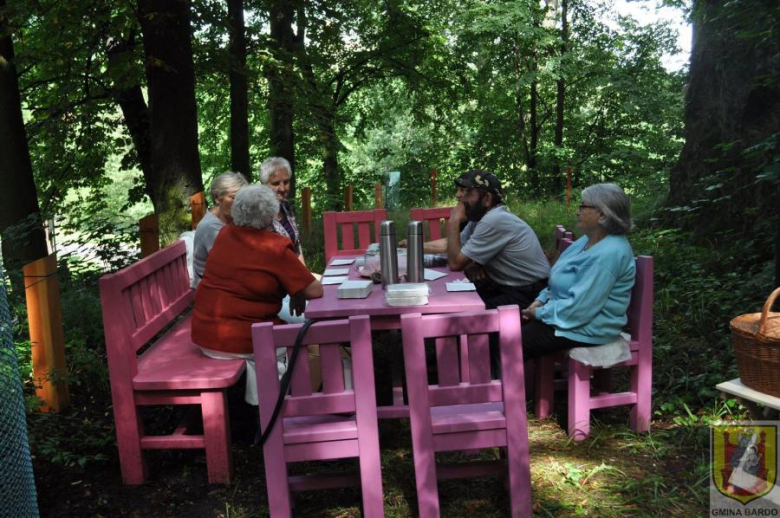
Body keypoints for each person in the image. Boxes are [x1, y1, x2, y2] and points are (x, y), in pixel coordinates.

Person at [191, 185, 323, 405]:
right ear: (271, 215)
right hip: (242, 339)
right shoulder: (274, 246)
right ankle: (295, 407)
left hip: (206, 334)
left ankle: (267, 412)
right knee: (319, 342)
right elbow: (314, 290)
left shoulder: (224, 235)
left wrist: (297, 291)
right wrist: (298, 291)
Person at [521, 183, 636, 360]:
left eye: (583, 206)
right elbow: (557, 280)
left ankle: (507, 387)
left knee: (510, 342)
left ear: (603, 214)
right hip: (568, 319)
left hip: (587, 329)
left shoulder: (608, 253)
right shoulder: (587, 241)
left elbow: (580, 309)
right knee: (505, 328)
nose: (577, 211)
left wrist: (538, 314)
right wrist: (540, 300)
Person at [445, 170, 550, 310]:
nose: (459, 196)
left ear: (486, 199)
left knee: (464, 313)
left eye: (467, 192)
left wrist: (453, 221)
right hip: (508, 286)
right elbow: (454, 245)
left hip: (531, 293)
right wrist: (413, 245)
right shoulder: (480, 217)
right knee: (456, 301)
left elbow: (455, 263)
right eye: (459, 191)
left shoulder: (494, 220)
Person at [259, 157, 314, 320]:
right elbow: (271, 263)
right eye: (276, 183)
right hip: (274, 292)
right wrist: (297, 290)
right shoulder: (259, 215)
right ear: (263, 185)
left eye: (286, 182)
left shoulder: (286, 206)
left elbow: (297, 248)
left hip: (293, 281)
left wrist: (304, 282)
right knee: (310, 318)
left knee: (329, 294)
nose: (283, 188)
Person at [192, 172, 248, 287]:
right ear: (217, 198)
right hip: (214, 292)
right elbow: (235, 266)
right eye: (234, 197)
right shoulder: (211, 228)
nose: (240, 203)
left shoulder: (230, 220)